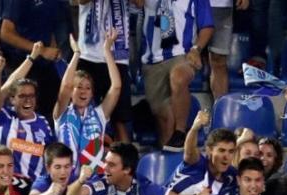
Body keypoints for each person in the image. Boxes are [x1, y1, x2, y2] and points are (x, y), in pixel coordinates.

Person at [151, 111, 236, 195]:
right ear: (209, 150)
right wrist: (195, 128)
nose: (226, 156)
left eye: (231, 151)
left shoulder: (230, 177)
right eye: (221, 150)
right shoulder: (196, 164)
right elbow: (190, 150)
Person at [140, 0, 214, 150]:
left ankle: (181, 130)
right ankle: (168, 165)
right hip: (152, 60)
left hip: (184, 54)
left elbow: (207, 26)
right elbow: (137, 3)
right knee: (164, 120)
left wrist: (196, 49)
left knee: (178, 77)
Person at [54, 30, 123, 176]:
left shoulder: (99, 114)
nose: (83, 92)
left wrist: (107, 51)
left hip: (93, 182)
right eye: (78, 87)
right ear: (71, 92)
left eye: (87, 88)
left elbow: (116, 87)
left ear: (92, 93)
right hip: (66, 181)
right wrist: (77, 54)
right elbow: (65, 86)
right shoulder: (61, 113)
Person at [0, 42, 55, 183]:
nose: (28, 101)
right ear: (12, 99)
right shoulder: (5, 116)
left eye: (31, 96)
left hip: (35, 189)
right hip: (8, 187)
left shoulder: (44, 122)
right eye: (22, 96)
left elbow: (50, 157)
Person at [76, 0, 137, 143]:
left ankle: (125, 163)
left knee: (120, 120)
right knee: (85, 115)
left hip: (118, 55)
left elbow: (139, 3)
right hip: (88, 55)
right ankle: (85, 158)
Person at [0, 0, 63, 119]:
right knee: (23, 113)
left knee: (53, 111)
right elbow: (5, 32)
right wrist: (41, 51)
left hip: (45, 64)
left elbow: (49, 24)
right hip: (21, 63)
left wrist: (52, 48)